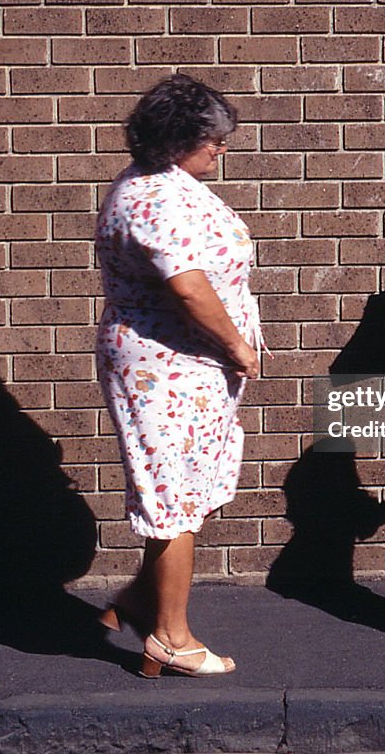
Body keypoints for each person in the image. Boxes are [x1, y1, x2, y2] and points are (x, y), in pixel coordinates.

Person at [94, 73, 262, 677]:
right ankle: (170, 637)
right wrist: (237, 345)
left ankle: (141, 599)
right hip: (164, 369)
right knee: (174, 499)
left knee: (192, 491)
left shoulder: (170, 184)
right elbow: (189, 288)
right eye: (214, 139)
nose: (223, 148)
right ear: (176, 141)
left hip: (189, 367)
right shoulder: (153, 199)